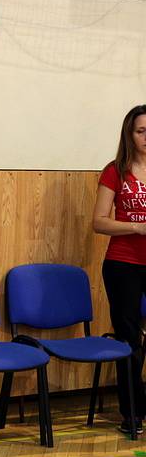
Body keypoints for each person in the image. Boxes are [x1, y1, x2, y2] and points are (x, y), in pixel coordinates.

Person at [92, 104, 146, 436]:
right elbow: (99, 222)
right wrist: (137, 227)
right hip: (123, 264)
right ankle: (132, 412)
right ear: (130, 134)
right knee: (130, 339)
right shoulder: (116, 170)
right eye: (141, 131)